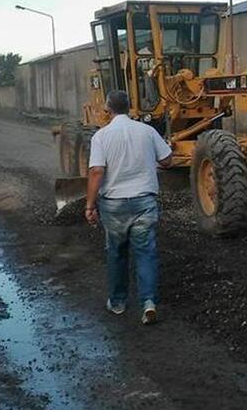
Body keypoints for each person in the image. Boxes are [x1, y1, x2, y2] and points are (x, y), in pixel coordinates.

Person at [84, 90, 172, 325]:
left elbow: (96, 171)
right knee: (146, 252)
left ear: (107, 109)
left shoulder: (101, 137)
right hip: (144, 202)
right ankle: (149, 303)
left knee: (116, 253)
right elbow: (167, 160)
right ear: (130, 107)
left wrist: (90, 205)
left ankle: (118, 302)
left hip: (114, 205)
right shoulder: (147, 131)